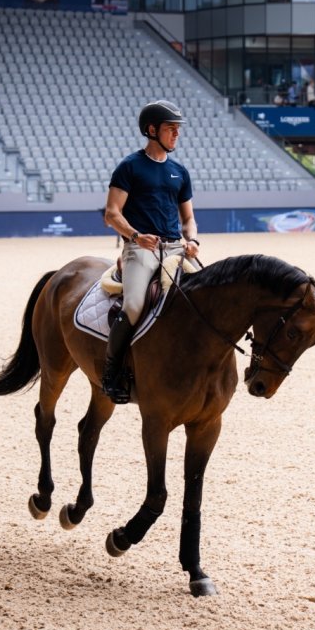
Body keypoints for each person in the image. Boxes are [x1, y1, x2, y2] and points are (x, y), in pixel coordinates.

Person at [101, 100, 200, 403]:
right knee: (133, 305)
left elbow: (189, 219)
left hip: (175, 248)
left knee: (205, 297)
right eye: (171, 128)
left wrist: (193, 240)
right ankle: (112, 370)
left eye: (178, 129)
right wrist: (135, 236)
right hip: (140, 249)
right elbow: (111, 213)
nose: (176, 134)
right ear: (152, 130)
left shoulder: (179, 172)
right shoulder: (130, 167)